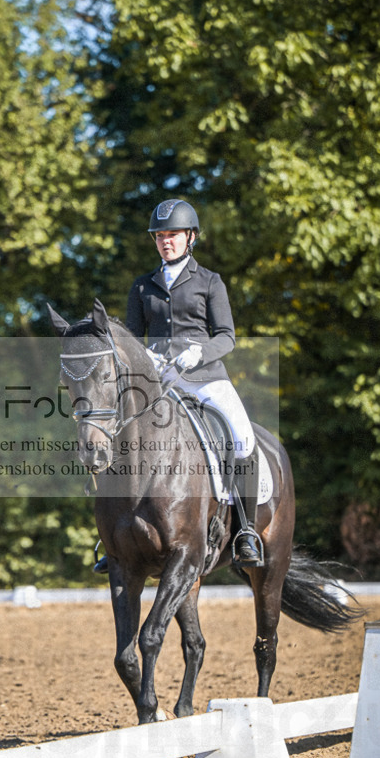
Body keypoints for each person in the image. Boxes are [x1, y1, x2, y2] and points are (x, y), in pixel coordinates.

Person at [95, 197, 263, 572]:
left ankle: (246, 531)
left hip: (205, 378)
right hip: (159, 384)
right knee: (121, 436)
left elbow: (227, 337)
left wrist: (197, 354)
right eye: (159, 236)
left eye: (172, 234)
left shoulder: (210, 282)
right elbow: (131, 341)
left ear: (190, 238)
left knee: (241, 436)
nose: (165, 241)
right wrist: (144, 358)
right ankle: (112, 535)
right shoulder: (143, 287)